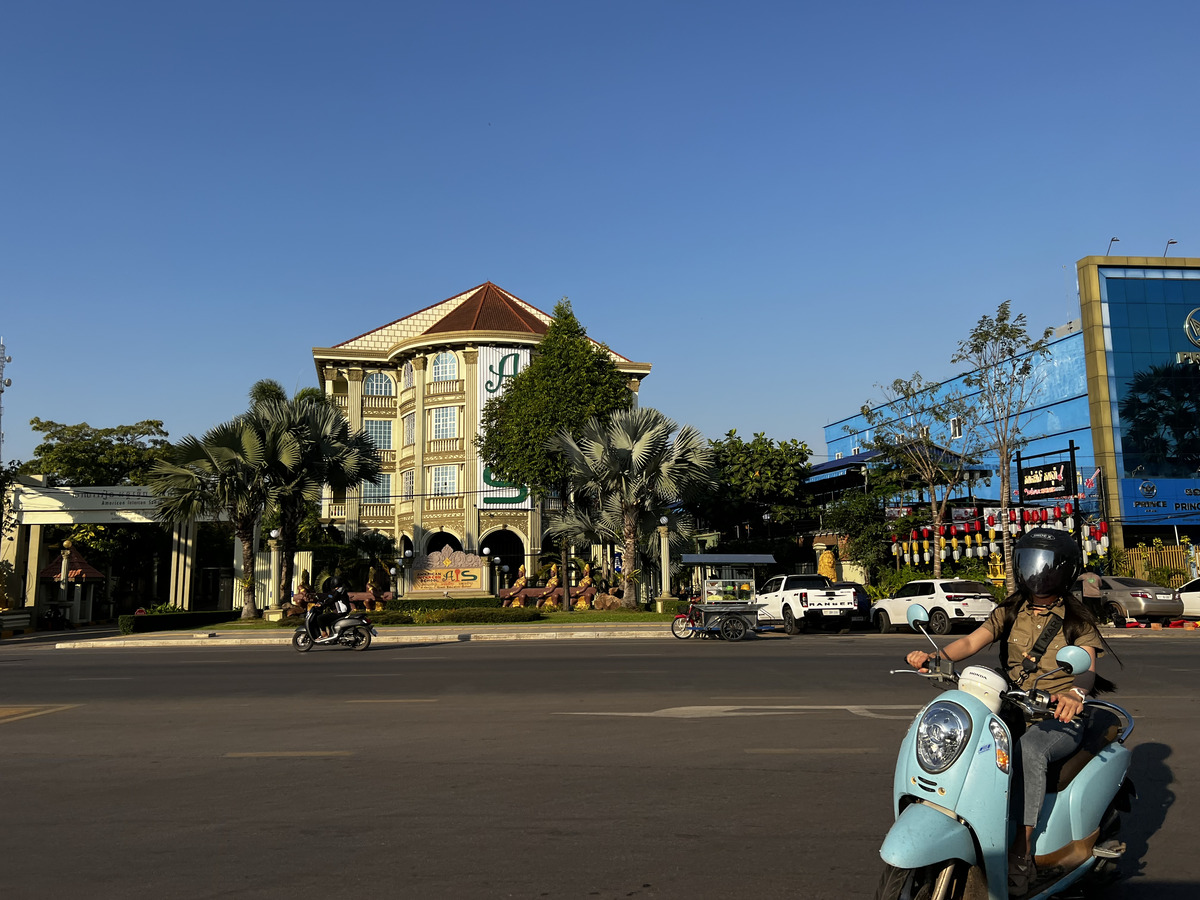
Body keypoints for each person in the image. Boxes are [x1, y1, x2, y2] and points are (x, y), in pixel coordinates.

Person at [905, 528, 1118, 897]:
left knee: (1030, 752)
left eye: (1047, 566)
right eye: (1032, 563)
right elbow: (972, 641)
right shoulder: (1010, 609)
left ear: (1064, 571)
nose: (1039, 573)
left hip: (1058, 716)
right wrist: (936, 657)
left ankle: (1019, 853)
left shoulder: (1075, 618)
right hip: (1013, 704)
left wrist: (1074, 693)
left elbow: (1087, 668)